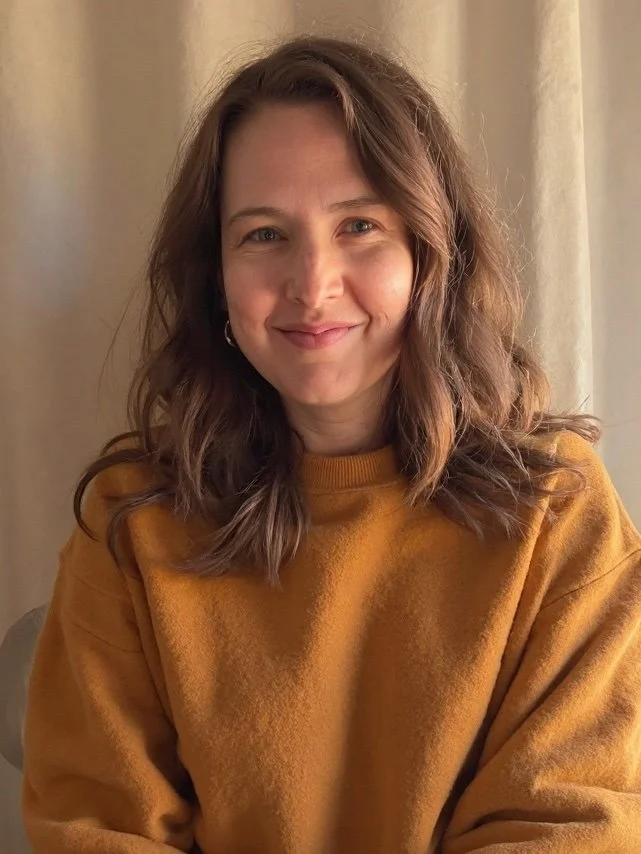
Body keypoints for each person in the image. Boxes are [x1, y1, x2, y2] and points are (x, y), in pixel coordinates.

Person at [21, 34, 641, 853]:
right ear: (214, 277)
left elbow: (573, 824)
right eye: (263, 235)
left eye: (359, 225)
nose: (312, 285)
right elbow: (93, 828)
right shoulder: (132, 519)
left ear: (430, 255)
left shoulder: (556, 511)